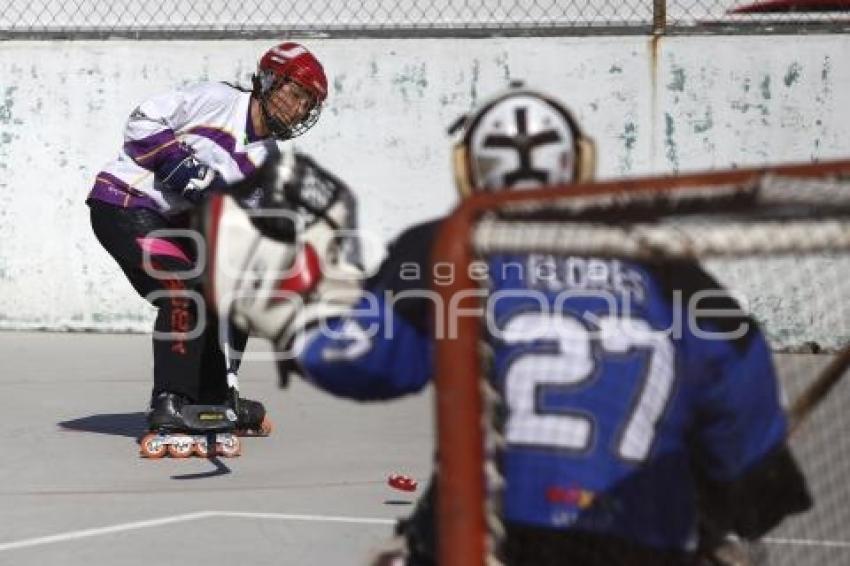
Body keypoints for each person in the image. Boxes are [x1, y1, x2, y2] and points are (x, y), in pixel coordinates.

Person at [202, 86, 812, 564]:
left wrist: (302, 310)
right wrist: (733, 505)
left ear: (469, 172)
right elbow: (748, 432)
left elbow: (369, 364)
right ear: (581, 162)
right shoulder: (664, 267)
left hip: (494, 541)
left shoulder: (448, 249)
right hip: (643, 540)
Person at [86, 41, 328, 439]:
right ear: (269, 80)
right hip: (125, 205)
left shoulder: (265, 162)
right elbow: (142, 119)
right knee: (183, 290)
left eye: (308, 103)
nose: (300, 107)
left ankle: (213, 399)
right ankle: (170, 402)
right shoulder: (218, 100)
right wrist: (178, 164)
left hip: (168, 226)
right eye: (297, 93)